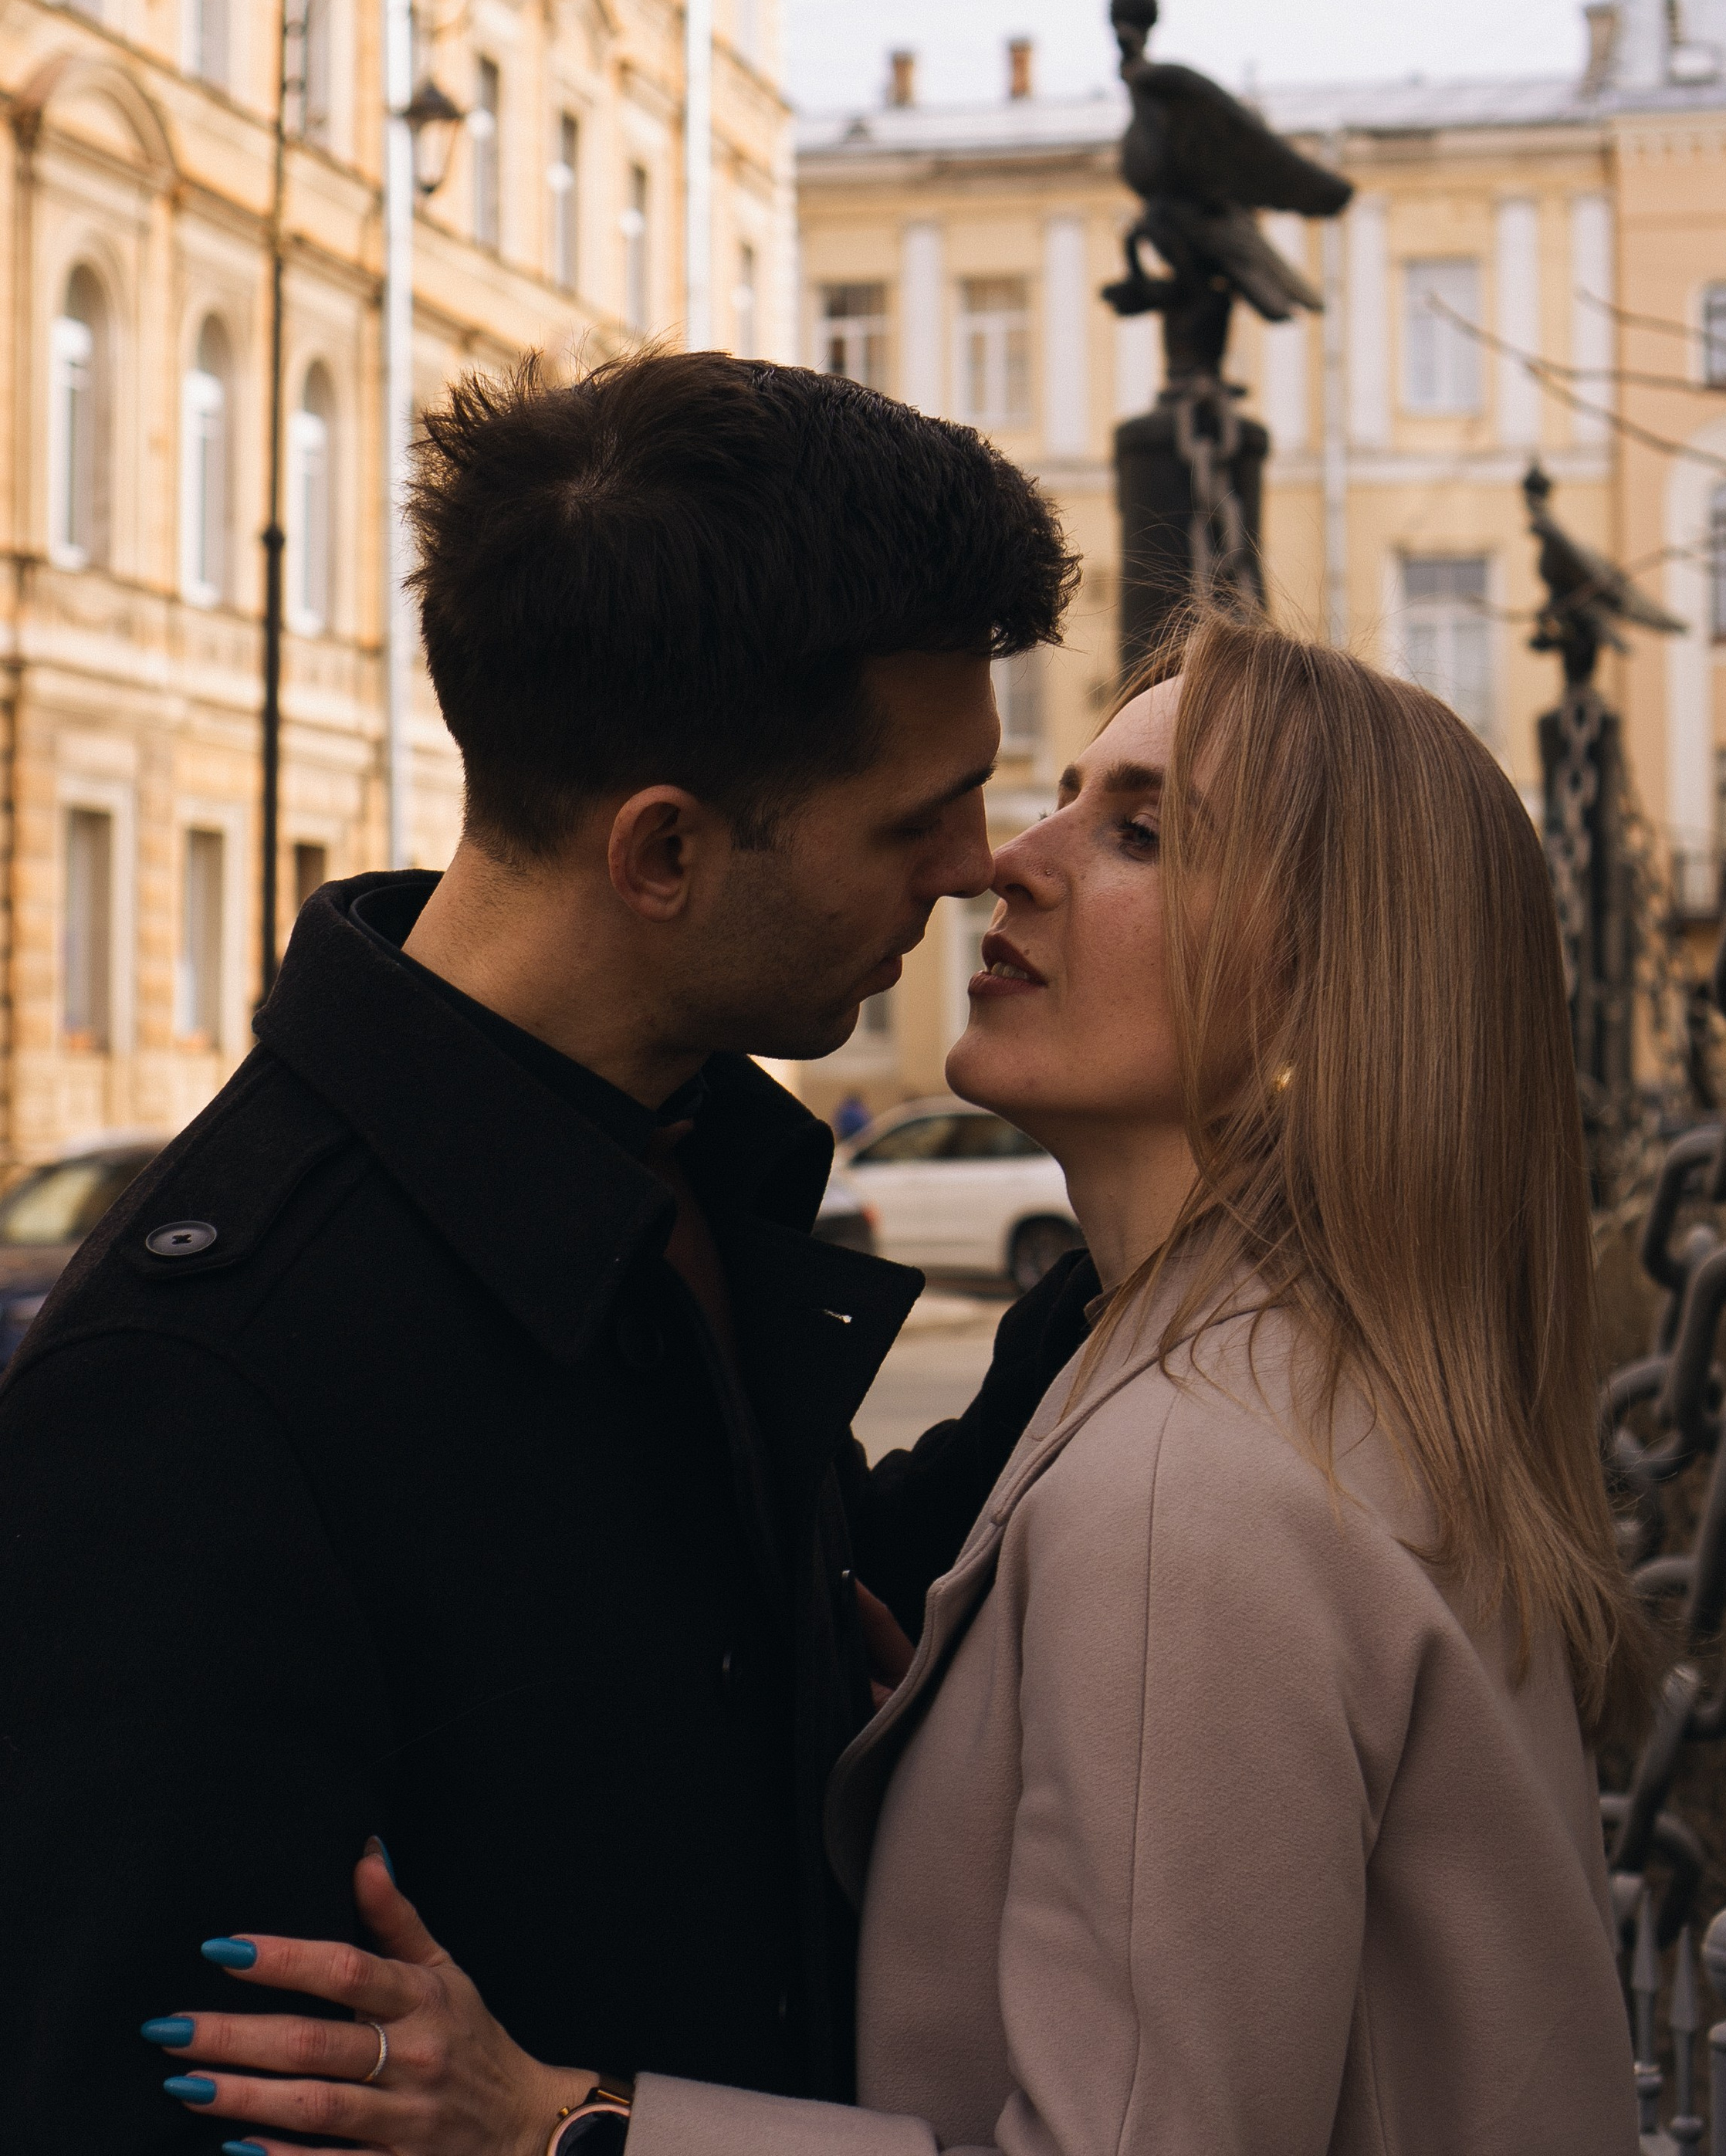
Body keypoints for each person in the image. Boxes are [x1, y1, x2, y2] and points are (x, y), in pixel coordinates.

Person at [151, 611, 1649, 2156]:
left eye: (1137, 833)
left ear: (1319, 987)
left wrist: (560, 2125)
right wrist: (964, 1746)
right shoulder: (1301, 1389)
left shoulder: (1185, 1497)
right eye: (1065, 792)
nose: (1013, 859)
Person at [0, 350, 1099, 2154]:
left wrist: (1149, 1236)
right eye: (916, 821)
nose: (976, 868)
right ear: (659, 852)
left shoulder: (674, 1162)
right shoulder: (201, 1389)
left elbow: (774, 1636)